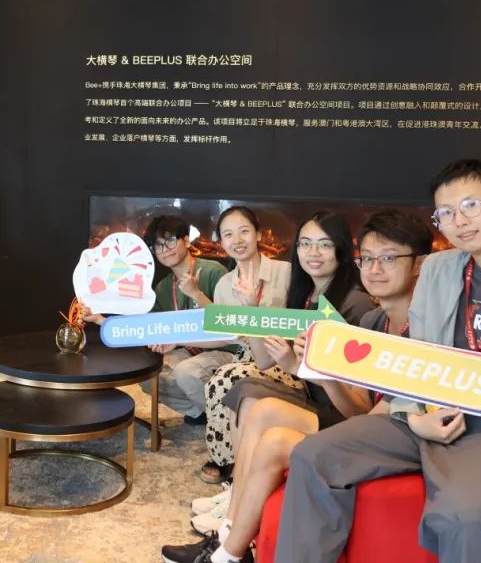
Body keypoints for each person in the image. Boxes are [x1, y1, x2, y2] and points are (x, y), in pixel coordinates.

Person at [275, 160, 481, 563]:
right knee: (313, 456)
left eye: (471, 205)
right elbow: (417, 358)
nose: (459, 221)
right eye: (446, 213)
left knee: (463, 515)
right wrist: (414, 414)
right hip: (423, 417)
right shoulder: (437, 270)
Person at [164, 209, 433, 563]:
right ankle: (229, 532)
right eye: (368, 259)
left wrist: (312, 373)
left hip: (376, 428)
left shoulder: (380, 314)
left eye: (388, 258)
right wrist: (265, 325)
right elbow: (359, 402)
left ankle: (228, 550)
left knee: (262, 416)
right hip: (346, 411)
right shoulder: (368, 317)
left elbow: (367, 411)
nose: (374, 269)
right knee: (258, 406)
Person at [189, 210, 374, 539]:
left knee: (248, 391)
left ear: (342, 249)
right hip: (310, 393)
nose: (313, 252)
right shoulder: (305, 295)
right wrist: (253, 311)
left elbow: (357, 400)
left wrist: (293, 366)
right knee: (248, 390)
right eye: (305, 243)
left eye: (324, 244)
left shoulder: (354, 304)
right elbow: (264, 361)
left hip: (336, 409)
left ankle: (233, 518)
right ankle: (235, 506)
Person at [82, 215, 231, 424]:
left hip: (224, 349)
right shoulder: (163, 287)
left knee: (186, 372)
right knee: (148, 377)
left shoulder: (213, 271)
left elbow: (228, 323)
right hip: (189, 351)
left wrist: (196, 294)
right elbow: (146, 327)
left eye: (170, 241)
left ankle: (226, 420)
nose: (164, 249)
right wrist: (100, 320)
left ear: (186, 240)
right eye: (158, 245)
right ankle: (202, 411)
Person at [198, 206, 298, 485]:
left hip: (282, 357)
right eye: (228, 235)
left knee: (225, 379)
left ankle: (232, 471)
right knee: (218, 378)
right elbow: (222, 334)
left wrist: (254, 308)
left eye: (244, 231)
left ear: (258, 234)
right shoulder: (224, 284)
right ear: (221, 242)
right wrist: (174, 341)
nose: (237, 240)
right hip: (245, 356)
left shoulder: (286, 272)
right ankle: (227, 459)